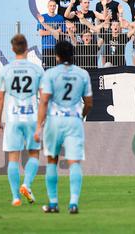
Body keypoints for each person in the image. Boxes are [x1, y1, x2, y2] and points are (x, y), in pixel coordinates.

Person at [34, 40, 93, 214]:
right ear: (73, 54)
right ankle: (73, 203)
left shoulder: (50, 74)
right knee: (74, 162)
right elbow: (89, 103)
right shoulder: (82, 74)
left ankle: (53, 203)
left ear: (57, 55)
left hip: (54, 121)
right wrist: (80, 116)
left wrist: (39, 126)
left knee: (52, 160)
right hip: (73, 121)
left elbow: (44, 100)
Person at [0, 34, 45, 206]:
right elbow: (43, 96)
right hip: (31, 117)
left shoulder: (6, 70)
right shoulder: (36, 69)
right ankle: (27, 184)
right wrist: (41, 120)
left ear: (12, 49)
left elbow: (0, 98)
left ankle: (16, 197)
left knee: (13, 158)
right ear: (26, 47)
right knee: (34, 154)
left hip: (13, 118)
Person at [36, 0, 66, 68]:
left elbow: (62, 33)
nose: (52, 7)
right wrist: (55, 31)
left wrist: (57, 32)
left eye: (54, 6)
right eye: (51, 6)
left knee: (57, 69)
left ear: (56, 7)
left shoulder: (60, 18)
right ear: (48, 6)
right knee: (46, 69)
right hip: (46, 47)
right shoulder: (43, 18)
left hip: (57, 47)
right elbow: (41, 33)